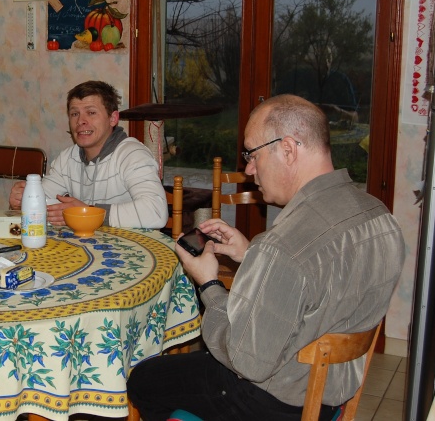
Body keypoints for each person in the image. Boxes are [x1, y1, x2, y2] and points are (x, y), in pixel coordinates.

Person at [126, 94, 405, 421]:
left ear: (288, 149)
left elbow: (246, 362)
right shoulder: (378, 215)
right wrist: (251, 254)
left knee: (144, 379)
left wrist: (208, 284)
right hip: (332, 393)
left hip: (272, 402)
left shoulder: (283, 247)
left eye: (252, 154)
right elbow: (318, 281)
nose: (248, 169)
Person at [9, 80, 168, 229]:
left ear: (113, 118)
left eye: (91, 113)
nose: (80, 121)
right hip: (86, 248)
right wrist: (24, 200)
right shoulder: (67, 159)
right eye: (74, 114)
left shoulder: (132, 155)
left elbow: (156, 212)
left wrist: (88, 213)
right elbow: (42, 201)